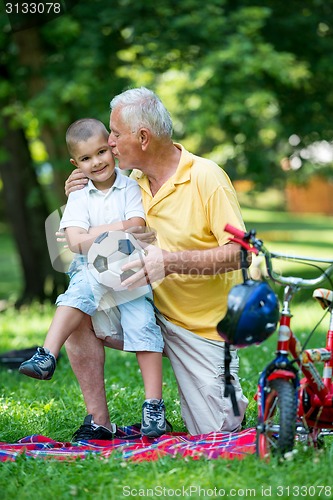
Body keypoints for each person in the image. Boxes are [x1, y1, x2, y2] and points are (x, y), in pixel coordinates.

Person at [64, 88, 249, 439]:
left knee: (218, 431)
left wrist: (171, 262)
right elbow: (86, 235)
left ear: (143, 138)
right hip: (141, 307)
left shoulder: (206, 177)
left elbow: (241, 253)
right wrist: (77, 196)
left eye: (115, 135)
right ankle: (99, 422)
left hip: (201, 330)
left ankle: (217, 390)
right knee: (77, 304)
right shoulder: (128, 183)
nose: (110, 142)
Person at [19, 118, 167, 438]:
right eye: (86, 158)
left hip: (130, 273)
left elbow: (137, 224)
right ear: (76, 164)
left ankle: (154, 407)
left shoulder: (129, 186)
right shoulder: (79, 196)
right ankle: (46, 354)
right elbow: (74, 242)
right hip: (93, 271)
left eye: (101, 152)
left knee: (144, 327)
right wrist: (117, 228)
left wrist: (93, 233)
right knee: (77, 292)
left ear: (111, 148)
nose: (97, 162)